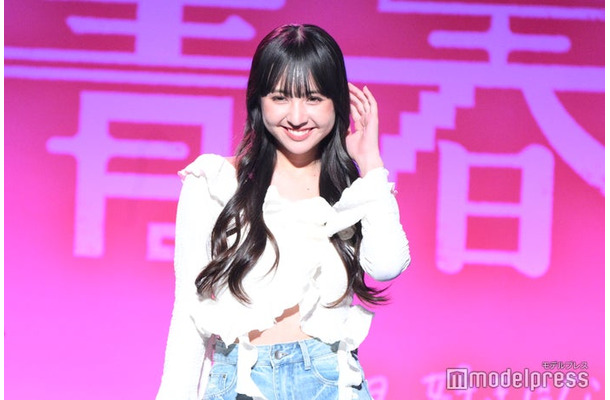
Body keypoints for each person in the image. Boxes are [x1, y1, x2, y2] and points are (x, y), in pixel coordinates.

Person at [156, 24, 410, 400]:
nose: (296, 116)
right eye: (279, 97)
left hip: (330, 380)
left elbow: (387, 265)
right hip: (240, 380)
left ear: (337, 101)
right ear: (258, 101)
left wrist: (370, 162)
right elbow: (188, 311)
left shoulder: (352, 190)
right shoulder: (215, 183)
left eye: (313, 98)